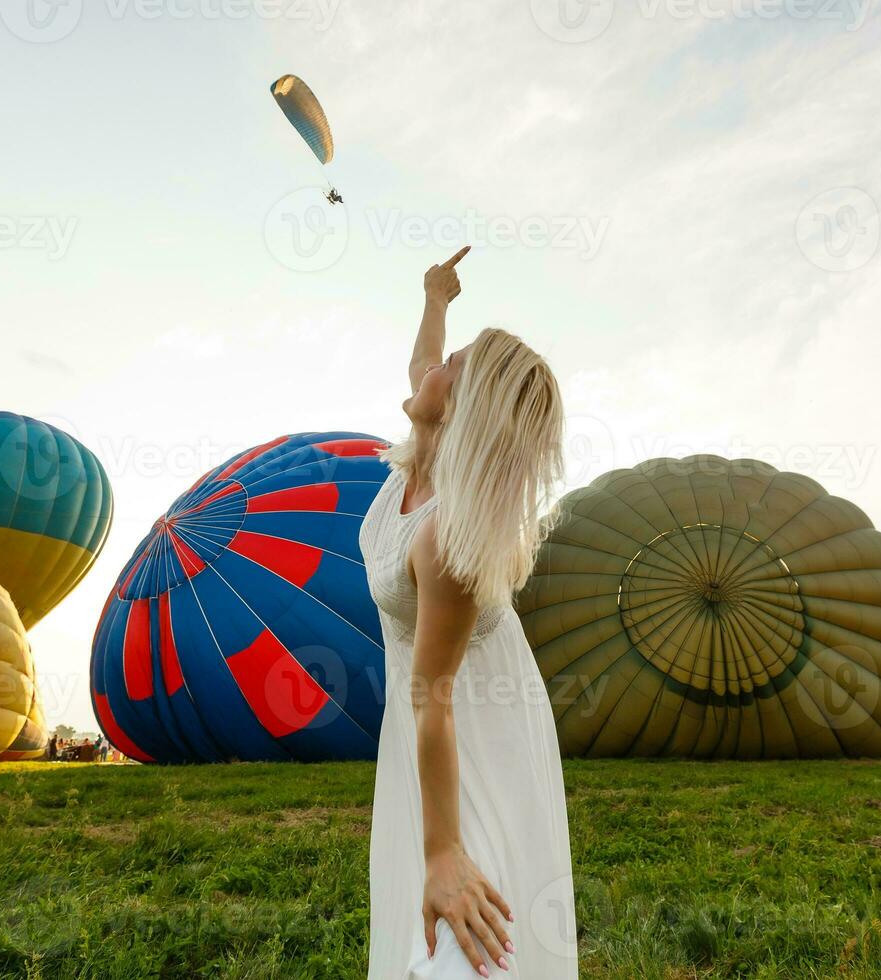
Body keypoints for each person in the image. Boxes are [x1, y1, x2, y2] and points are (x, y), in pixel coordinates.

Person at [360, 246, 576, 979]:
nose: (429, 369)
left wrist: (443, 850)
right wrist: (435, 297)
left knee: (466, 936)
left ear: (463, 407)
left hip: (469, 732)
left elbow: (434, 698)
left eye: (449, 364)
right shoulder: (410, 470)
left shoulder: (445, 538)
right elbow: (419, 362)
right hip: (427, 731)